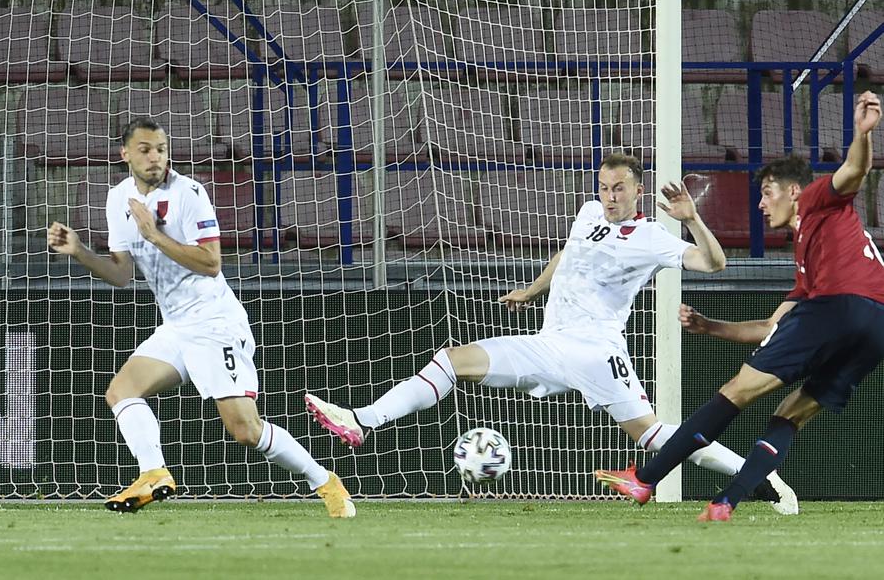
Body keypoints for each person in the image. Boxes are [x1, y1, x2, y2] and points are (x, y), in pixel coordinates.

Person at [305, 152, 798, 514]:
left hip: (596, 352)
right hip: (549, 343)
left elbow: (715, 263)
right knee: (451, 360)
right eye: (604, 186)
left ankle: (758, 475)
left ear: (637, 191)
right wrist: (532, 288)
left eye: (619, 188)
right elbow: (569, 254)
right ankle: (362, 421)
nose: (609, 195)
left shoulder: (652, 238)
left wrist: (693, 221)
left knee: (650, 436)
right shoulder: (587, 213)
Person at [47, 117, 355, 518]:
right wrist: (80, 251)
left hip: (214, 323)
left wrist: (155, 235)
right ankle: (153, 473)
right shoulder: (117, 198)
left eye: (160, 148)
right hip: (176, 326)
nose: (155, 157)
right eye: (145, 149)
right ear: (125, 154)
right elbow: (122, 274)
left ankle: (326, 482)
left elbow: (211, 263)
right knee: (121, 391)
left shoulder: (190, 194)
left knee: (245, 430)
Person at [597, 91, 884, 522]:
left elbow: (854, 170)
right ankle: (727, 501)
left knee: (734, 394)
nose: (762, 203)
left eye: (768, 193)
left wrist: (863, 134)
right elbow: (772, 326)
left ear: (792, 190)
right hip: (876, 328)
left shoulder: (817, 199)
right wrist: (710, 326)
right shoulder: (812, 256)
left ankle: (646, 477)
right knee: (791, 414)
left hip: (836, 308)